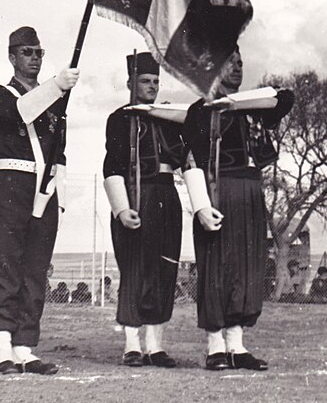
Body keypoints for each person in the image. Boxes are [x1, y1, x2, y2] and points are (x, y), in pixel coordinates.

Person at [181, 48, 294, 371]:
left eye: (240, 63)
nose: (236, 68)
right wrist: (201, 207)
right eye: (228, 62)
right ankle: (215, 346)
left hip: (250, 192)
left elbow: (285, 99)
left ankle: (237, 345)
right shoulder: (200, 112)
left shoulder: (251, 108)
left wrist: (241, 102)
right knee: (217, 270)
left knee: (246, 270)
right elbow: (189, 160)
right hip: (219, 193)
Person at [0, 26, 79, 375]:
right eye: (26, 52)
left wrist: (60, 198)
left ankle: (25, 347)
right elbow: (20, 112)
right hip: (13, 184)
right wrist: (56, 85)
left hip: (46, 188)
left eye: (38, 52)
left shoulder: (55, 100)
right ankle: (2, 347)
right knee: (7, 265)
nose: (33, 58)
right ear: (12, 57)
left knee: (36, 270)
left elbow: (59, 152)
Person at [103, 51, 185, 369]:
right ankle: (131, 345)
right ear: (130, 83)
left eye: (155, 81)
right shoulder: (120, 119)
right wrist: (122, 209)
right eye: (145, 81)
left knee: (164, 271)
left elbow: (184, 157)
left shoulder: (167, 117)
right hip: (138, 197)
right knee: (136, 271)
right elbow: (112, 166)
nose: (151, 87)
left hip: (167, 196)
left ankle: (155, 345)